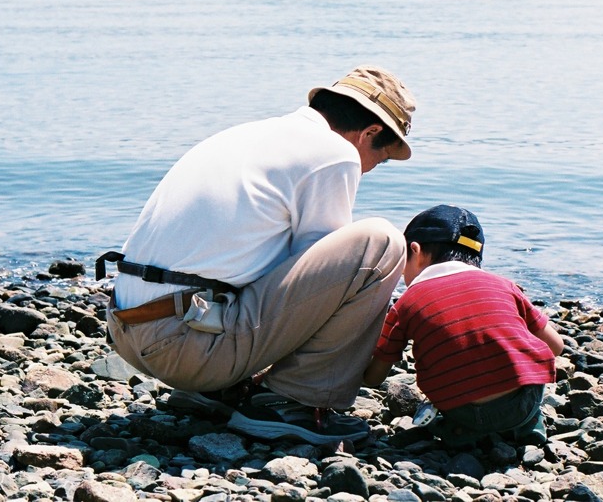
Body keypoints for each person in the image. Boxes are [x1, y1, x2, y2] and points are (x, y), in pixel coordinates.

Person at [96, 65, 416, 445]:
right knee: (379, 244)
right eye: (378, 161)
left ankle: (216, 390)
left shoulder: (246, 134)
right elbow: (323, 288)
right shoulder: (336, 153)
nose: (368, 170)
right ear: (370, 133)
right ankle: (291, 401)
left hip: (128, 329)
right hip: (185, 348)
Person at [363, 204, 565, 447]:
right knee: (529, 364)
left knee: (449, 387)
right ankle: (528, 425)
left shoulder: (406, 303)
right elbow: (555, 346)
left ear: (414, 250)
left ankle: (459, 431)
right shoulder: (503, 285)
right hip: (520, 405)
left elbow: (375, 377)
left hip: (461, 410)